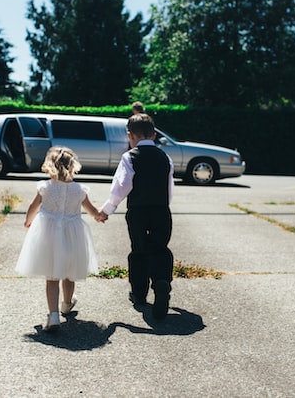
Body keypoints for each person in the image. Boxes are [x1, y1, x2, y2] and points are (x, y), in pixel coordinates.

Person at [97, 113, 175, 319]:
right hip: (161, 210)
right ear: (154, 134)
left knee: (139, 251)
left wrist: (107, 209)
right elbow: (169, 187)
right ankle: (161, 281)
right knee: (160, 248)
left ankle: (139, 294)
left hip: (138, 211)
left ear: (130, 135)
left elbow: (122, 186)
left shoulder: (129, 157)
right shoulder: (165, 157)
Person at [15, 146, 101, 332]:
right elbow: (91, 210)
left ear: (50, 166)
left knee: (52, 276)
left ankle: (53, 315)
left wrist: (28, 222)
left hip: (49, 235)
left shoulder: (45, 187)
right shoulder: (79, 190)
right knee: (69, 272)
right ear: (73, 166)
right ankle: (67, 303)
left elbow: (33, 207)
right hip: (72, 235)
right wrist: (100, 215)